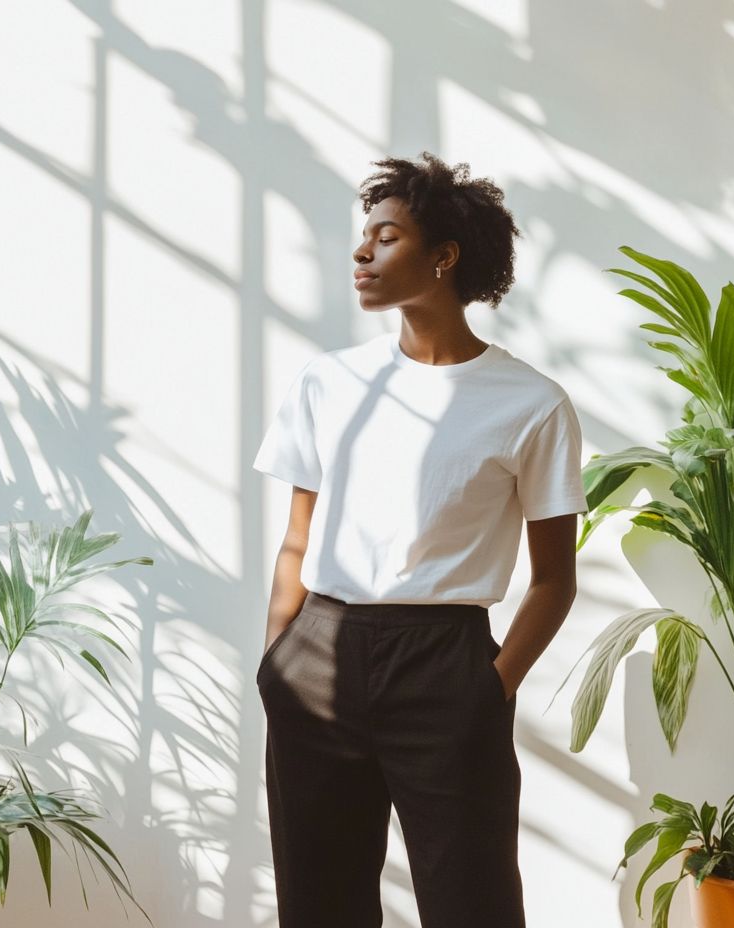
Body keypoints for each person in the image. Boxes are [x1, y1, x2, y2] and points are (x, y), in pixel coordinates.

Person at [251, 152, 587, 928]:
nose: (362, 252)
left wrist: (490, 687)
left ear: (444, 256)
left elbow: (553, 580)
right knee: (319, 903)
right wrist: (278, 657)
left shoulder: (531, 403)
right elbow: (297, 539)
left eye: (387, 236)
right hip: (318, 650)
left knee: (472, 902)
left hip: (446, 662)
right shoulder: (327, 383)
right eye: (362, 235)